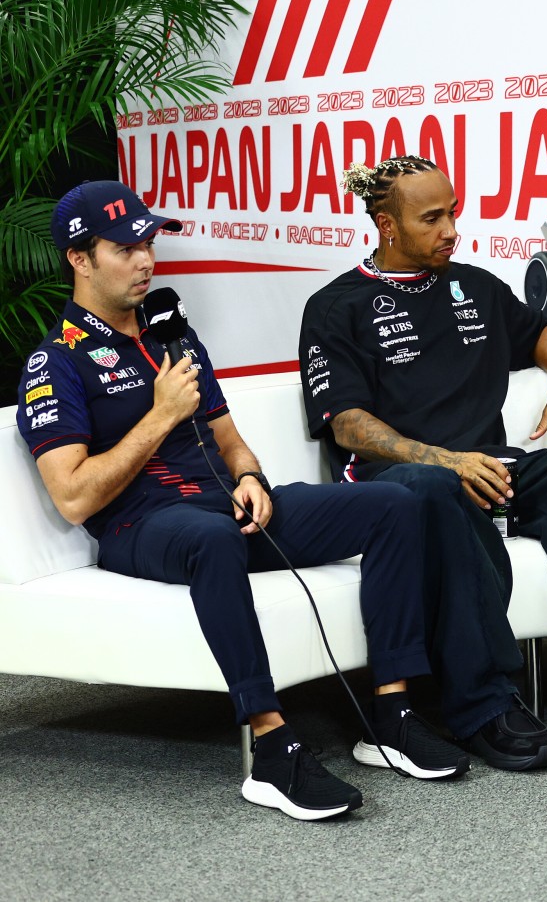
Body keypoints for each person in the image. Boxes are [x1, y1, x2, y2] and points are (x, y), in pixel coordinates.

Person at [20, 181, 471, 822]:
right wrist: (158, 416)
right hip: (142, 525)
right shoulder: (55, 363)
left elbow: (231, 441)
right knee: (212, 539)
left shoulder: (173, 336)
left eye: (149, 242)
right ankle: (273, 747)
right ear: (80, 259)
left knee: (392, 505)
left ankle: (392, 716)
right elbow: (71, 496)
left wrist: (252, 479)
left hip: (226, 507)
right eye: (125, 248)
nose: (146, 260)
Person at [298, 156, 547, 769]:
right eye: (433, 217)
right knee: (434, 489)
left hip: (494, 467)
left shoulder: (473, 285)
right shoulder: (337, 305)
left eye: (453, 212)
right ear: (387, 227)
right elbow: (348, 424)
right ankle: (482, 703)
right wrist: (447, 461)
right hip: (402, 484)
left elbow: (542, 334)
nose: (452, 229)